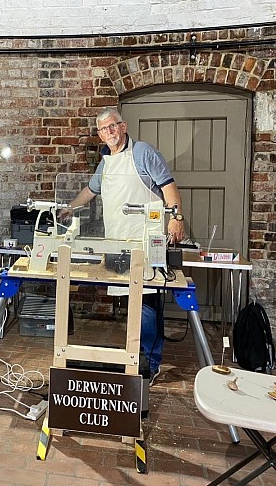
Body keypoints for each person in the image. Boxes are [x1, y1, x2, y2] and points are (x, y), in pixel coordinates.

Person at [61, 107, 184, 385]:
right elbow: (90, 192)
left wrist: (176, 218)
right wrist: (68, 209)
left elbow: (169, 188)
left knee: (148, 303)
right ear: (99, 134)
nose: (110, 132)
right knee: (134, 303)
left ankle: (150, 364)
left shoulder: (142, 153)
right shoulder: (105, 164)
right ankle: (137, 357)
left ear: (123, 126)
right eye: (104, 129)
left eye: (113, 126)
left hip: (146, 239)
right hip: (118, 242)